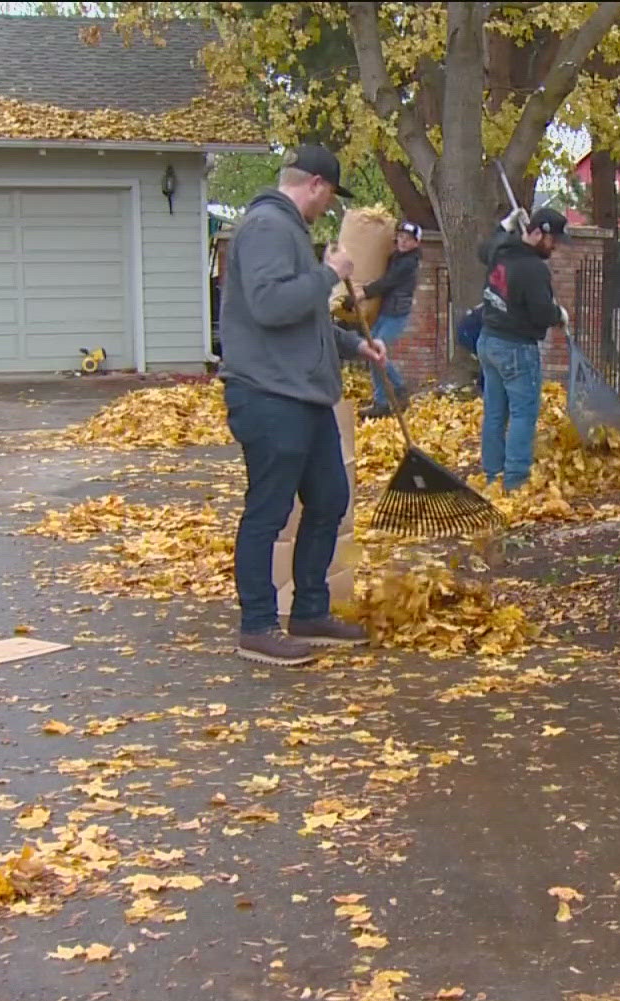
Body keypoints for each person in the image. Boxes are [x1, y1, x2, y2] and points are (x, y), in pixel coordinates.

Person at [217, 144, 389, 666]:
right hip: (269, 394)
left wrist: (353, 345)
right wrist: (330, 273)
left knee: (329, 498)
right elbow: (271, 306)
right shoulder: (267, 227)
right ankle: (258, 626)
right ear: (315, 183)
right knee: (269, 510)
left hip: (305, 395)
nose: (329, 206)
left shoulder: (289, 230)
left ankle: (310, 609)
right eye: (330, 195)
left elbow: (305, 316)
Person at [476, 207, 569, 491]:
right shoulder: (533, 269)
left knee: (494, 412)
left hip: (489, 341)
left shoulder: (501, 251)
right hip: (516, 347)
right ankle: (515, 481)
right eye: (553, 240)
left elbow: (484, 250)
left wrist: (503, 228)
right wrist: (558, 315)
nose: (555, 247)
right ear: (539, 233)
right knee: (523, 413)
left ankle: (493, 475)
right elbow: (541, 313)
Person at [359, 221, 424, 418]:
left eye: (409, 239)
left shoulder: (408, 263)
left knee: (376, 353)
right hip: (385, 311)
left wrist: (363, 294)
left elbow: (387, 282)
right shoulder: (396, 257)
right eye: (401, 238)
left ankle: (398, 388)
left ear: (416, 243)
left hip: (396, 314)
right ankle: (381, 402)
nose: (403, 242)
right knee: (373, 354)